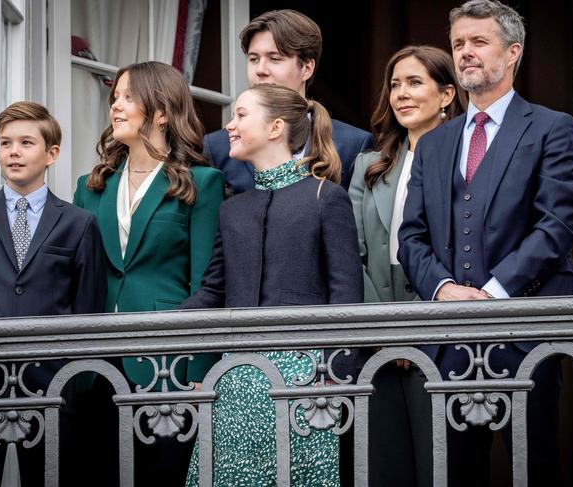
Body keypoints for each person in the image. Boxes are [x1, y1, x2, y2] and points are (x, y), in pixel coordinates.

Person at [398, 1, 573, 486]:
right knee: (456, 470)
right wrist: (442, 289)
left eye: (478, 42)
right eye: (458, 44)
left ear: (513, 51)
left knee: (534, 463)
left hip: (526, 328)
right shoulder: (434, 143)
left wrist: (494, 294)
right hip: (449, 336)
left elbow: (557, 224)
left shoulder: (551, 128)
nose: (465, 53)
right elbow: (410, 235)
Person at [181, 83, 363, 486]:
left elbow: (346, 296)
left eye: (241, 115)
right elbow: (213, 292)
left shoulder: (325, 197)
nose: (229, 124)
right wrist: (155, 326)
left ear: (276, 127)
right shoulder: (233, 209)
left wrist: (335, 375)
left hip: (306, 382)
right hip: (236, 380)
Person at [0, 101, 108, 487]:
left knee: (51, 477)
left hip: (52, 379)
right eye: (6, 142)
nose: (13, 151)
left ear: (52, 154)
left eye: (26, 142)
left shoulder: (79, 224)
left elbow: (88, 305)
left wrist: (72, 376)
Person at [73, 61, 224, 485]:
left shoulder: (201, 183)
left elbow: (206, 284)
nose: (116, 107)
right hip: (97, 361)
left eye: (127, 97)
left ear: (161, 112)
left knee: (163, 475)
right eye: (114, 98)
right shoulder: (91, 186)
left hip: (168, 360)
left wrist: (199, 372)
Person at [349, 45, 466, 487]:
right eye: (395, 84)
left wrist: (417, 327)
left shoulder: (466, 164)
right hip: (374, 343)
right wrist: (385, 332)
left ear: (447, 95)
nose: (401, 93)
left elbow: (459, 254)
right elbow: (353, 254)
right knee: (383, 467)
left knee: (442, 468)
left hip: (440, 337)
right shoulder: (367, 166)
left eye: (414, 82)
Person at [204, 9, 374, 195]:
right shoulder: (218, 146)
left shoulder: (354, 145)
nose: (260, 69)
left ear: (307, 68)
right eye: (253, 59)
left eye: (275, 58)